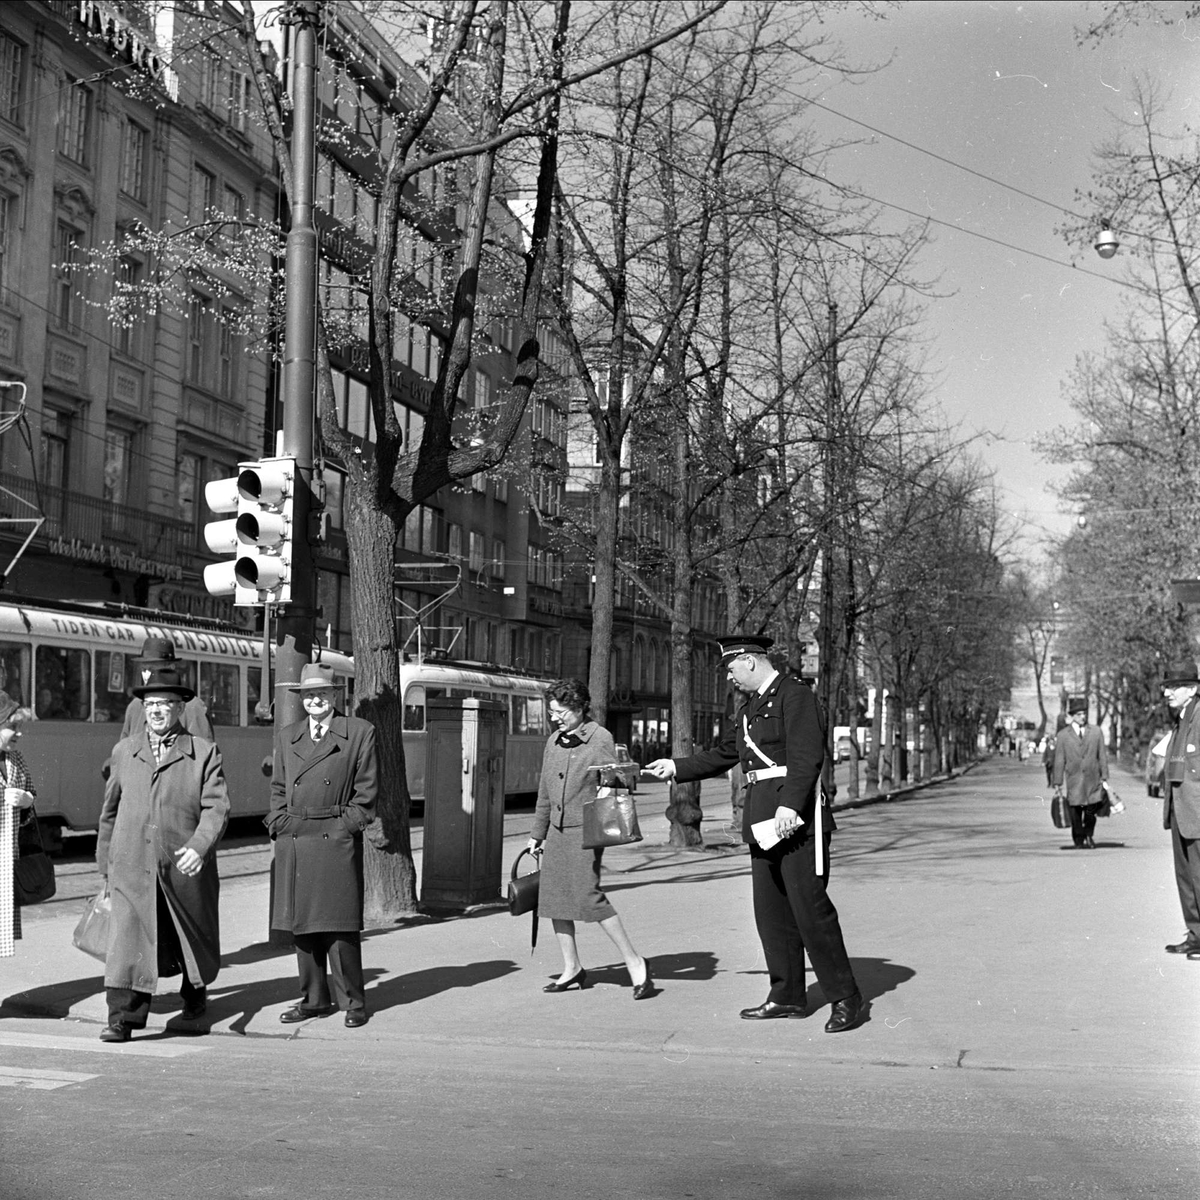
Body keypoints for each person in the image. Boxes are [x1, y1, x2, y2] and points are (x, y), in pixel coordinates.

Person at [645, 635, 863, 1032]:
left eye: (731, 669)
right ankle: (787, 995)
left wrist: (790, 805)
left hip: (797, 819)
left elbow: (806, 756)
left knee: (811, 912)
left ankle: (845, 996)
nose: (729, 677)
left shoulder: (795, 696)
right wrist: (676, 767)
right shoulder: (749, 708)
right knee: (771, 915)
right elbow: (725, 754)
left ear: (749, 661)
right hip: (763, 822)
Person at [97, 666, 230, 1042]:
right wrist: (105, 866)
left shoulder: (203, 752)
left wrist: (199, 846)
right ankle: (122, 1018)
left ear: (180, 708)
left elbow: (217, 808)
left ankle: (195, 994)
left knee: (187, 933)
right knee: (128, 941)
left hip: (182, 864)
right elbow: (109, 811)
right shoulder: (124, 751)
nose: (156, 710)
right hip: (131, 864)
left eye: (165, 703)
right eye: (150, 704)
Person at [526, 678, 654, 999]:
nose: (555, 718)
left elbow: (615, 786)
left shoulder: (600, 738)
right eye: (552, 712)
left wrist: (617, 775)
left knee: (588, 896)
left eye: (561, 712)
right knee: (554, 899)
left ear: (580, 707)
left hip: (586, 830)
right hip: (556, 831)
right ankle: (572, 968)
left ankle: (634, 960)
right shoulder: (553, 740)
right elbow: (544, 791)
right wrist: (537, 833)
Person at [266, 664, 377, 1028]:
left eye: (322, 693)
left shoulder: (359, 732)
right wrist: (279, 823)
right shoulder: (288, 735)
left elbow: (366, 794)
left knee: (339, 924)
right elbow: (279, 787)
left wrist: (346, 827)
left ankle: (353, 1002)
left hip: (335, 838)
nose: (315, 700)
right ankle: (314, 999)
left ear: (334, 695)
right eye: (308, 695)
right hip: (296, 836)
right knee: (303, 926)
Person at [1159, 660, 1200, 960]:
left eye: (1173, 687)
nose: (1167, 693)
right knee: (1185, 876)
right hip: (1180, 808)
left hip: (1197, 810)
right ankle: (1196, 935)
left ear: (1192, 689)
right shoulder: (1183, 718)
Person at [120, 637, 214, 741]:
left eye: (152, 669)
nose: (146, 675)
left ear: (171, 667)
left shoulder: (193, 707)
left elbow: (203, 748)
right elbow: (124, 748)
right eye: (143, 669)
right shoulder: (135, 707)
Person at [0, 690, 37, 955]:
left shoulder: (16, 758)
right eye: (13, 727)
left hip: (7, 858)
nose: (19, 733)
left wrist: (27, 800)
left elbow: (32, 794)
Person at [1052, 697, 1108, 850]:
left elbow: (1102, 755)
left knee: (1091, 811)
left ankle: (1089, 835)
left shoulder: (1096, 732)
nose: (1082, 717)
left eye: (1084, 714)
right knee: (1075, 811)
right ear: (1072, 716)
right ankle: (1078, 839)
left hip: (1093, 778)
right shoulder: (1063, 735)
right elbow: (1059, 759)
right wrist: (1057, 782)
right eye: (1079, 714)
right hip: (1074, 779)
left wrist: (1104, 776)